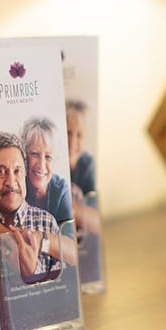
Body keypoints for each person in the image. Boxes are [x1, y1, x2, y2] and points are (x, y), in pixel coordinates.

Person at [0, 131, 62, 284]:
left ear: (25, 175)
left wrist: (33, 272)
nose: (11, 182)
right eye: (1, 172)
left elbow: (59, 289)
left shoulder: (47, 223)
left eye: (17, 171)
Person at [20, 116, 78, 266]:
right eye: (34, 154)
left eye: (48, 157)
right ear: (24, 156)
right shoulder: (16, 183)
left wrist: (40, 241)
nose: (41, 164)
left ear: (56, 160)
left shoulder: (60, 190)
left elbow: (73, 253)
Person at [66, 100, 101, 235]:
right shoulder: (47, 163)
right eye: (68, 133)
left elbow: (95, 222)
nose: (73, 142)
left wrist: (72, 209)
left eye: (79, 135)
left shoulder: (87, 164)